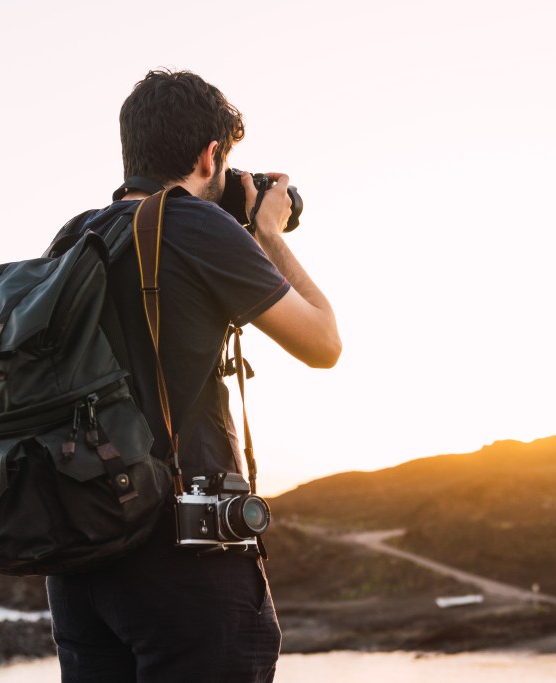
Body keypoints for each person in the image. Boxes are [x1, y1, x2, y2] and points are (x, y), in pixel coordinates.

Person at [45, 69, 340, 683]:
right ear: (210, 156)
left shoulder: (75, 237)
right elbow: (323, 343)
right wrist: (269, 237)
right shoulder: (192, 225)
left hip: (80, 562)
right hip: (184, 553)